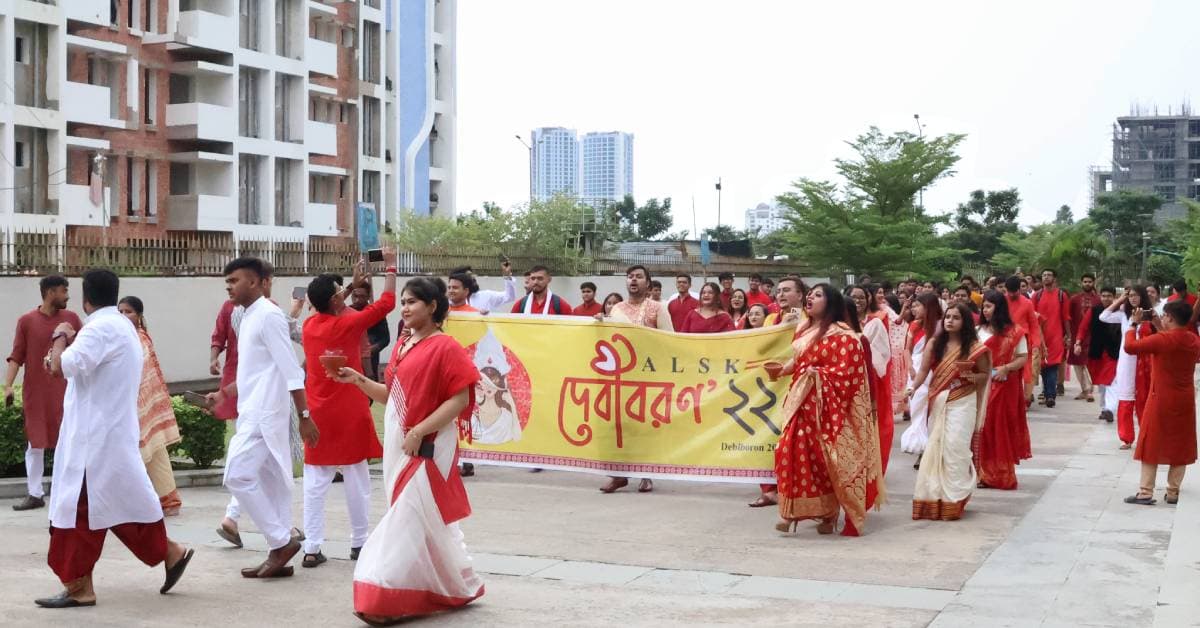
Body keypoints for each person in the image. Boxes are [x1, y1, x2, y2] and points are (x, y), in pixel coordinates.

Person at [37, 269, 194, 608]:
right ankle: (171, 552)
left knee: (78, 512)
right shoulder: (121, 326)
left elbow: (58, 366)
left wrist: (60, 335)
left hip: (93, 443)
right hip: (108, 437)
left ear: (86, 298)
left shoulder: (100, 328)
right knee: (117, 508)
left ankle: (80, 588)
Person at [331, 278, 484, 624]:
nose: (405, 308)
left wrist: (419, 431)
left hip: (428, 445)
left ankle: (384, 595)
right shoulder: (403, 344)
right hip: (399, 443)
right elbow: (391, 396)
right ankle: (456, 585)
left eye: (412, 301)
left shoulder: (445, 346)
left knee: (406, 515)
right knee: (420, 518)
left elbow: (459, 399)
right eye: (403, 302)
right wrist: (358, 380)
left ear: (432, 306)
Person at [209, 257, 318, 578]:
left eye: (235, 280)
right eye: (227, 281)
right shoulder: (247, 316)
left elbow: (291, 371)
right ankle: (280, 556)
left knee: (237, 475)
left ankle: (281, 542)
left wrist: (305, 416)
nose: (229, 287)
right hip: (253, 409)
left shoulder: (269, 316)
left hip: (264, 413)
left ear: (256, 282)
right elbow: (254, 371)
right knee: (274, 485)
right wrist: (224, 394)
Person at [298, 260, 396, 568]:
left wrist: (350, 286)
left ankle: (312, 547)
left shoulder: (309, 326)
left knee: (315, 483)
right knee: (357, 478)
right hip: (350, 409)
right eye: (340, 291)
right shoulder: (349, 324)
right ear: (336, 299)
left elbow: (331, 306)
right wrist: (390, 268)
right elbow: (387, 303)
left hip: (318, 411)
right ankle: (359, 542)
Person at [767, 284, 882, 536]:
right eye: (811, 294)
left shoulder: (844, 335)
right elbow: (801, 359)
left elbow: (847, 375)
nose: (811, 297)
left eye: (818, 295)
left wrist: (818, 374)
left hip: (828, 409)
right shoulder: (804, 329)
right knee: (789, 450)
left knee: (823, 460)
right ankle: (788, 512)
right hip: (800, 402)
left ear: (830, 303)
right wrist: (782, 370)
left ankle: (828, 514)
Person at [5, 275, 83, 511]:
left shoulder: (72, 319)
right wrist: (8, 386)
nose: (67, 296)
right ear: (50, 292)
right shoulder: (26, 321)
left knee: (68, 441)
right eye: (63, 291)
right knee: (35, 443)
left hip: (66, 391)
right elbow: (17, 356)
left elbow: (85, 350)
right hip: (36, 393)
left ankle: (71, 492)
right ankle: (35, 493)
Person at [910, 304, 990, 520]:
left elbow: (984, 374)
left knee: (955, 448)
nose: (950, 321)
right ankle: (934, 498)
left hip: (964, 400)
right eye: (947, 317)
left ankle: (953, 500)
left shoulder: (974, 347)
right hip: (939, 400)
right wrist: (912, 388)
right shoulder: (934, 343)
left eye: (956, 317)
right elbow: (923, 371)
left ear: (965, 322)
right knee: (936, 449)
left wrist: (972, 377)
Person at [600, 266, 672, 494]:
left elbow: (670, 341)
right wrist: (599, 325)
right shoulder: (617, 309)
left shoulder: (658, 308)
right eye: (630, 277)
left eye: (639, 277)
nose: (633, 280)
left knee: (644, 425)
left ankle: (646, 473)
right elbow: (610, 340)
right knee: (617, 425)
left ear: (648, 283)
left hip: (648, 376)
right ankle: (618, 475)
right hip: (621, 376)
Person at [1121, 301, 1200, 506]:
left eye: (1164, 316)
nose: (1162, 318)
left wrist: (1133, 324)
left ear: (1170, 317)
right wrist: (1157, 323)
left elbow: (1130, 347)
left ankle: (1145, 491)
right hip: (1185, 398)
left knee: (1150, 441)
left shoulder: (1163, 340)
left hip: (1161, 398)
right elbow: (1173, 340)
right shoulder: (1193, 339)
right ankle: (1173, 491)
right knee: (1181, 443)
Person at [117, 297, 183, 515]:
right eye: (120, 312)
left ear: (139, 316)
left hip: (142, 404)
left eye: (128, 312)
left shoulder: (140, 338)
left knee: (146, 450)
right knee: (154, 450)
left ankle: (156, 501)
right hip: (136, 404)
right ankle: (167, 499)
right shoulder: (124, 338)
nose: (124, 316)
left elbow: (143, 374)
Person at [975, 291, 1029, 490]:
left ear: (999, 308)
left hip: (1003, 386)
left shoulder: (1014, 332)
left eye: (989, 306)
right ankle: (982, 472)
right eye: (984, 306)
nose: (985, 310)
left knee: (997, 428)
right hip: (980, 384)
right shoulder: (977, 331)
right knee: (981, 428)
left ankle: (1000, 474)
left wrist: (1006, 368)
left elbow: (1023, 357)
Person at [1100, 286, 1153, 449]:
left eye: (1136, 295)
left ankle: (1146, 437)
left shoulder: (1151, 315)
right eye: (1130, 296)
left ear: (1143, 296)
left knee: (1144, 400)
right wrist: (1120, 299)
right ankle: (1127, 438)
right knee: (1126, 398)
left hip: (1145, 362)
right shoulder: (1124, 315)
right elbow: (1103, 316)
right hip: (1127, 362)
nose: (1133, 298)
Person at [849, 285, 893, 475]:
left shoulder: (875, 323)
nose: (858, 301)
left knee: (872, 424)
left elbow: (883, 354)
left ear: (868, 300)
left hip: (869, 380)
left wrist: (860, 357)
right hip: (846, 382)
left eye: (862, 297)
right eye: (854, 297)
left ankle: (872, 468)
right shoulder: (840, 323)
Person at [901, 292, 943, 462]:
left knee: (931, 408)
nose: (914, 309)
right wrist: (910, 366)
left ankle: (928, 449)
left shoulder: (940, 326)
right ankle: (921, 447)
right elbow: (907, 349)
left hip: (934, 370)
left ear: (928, 307)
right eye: (913, 306)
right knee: (918, 407)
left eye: (918, 306)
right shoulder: (914, 325)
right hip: (916, 370)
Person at [1074, 287, 1120, 422]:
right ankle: (1105, 407)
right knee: (1102, 383)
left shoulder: (1120, 310)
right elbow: (1083, 327)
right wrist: (1078, 343)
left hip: (1114, 352)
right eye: (1103, 296)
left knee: (1110, 380)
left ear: (1114, 297)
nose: (1106, 298)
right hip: (1097, 351)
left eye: (1109, 296)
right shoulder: (1094, 310)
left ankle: (1109, 409)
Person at [1031, 269, 1070, 408]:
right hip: (1039, 336)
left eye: (1049, 275)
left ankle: (1050, 395)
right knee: (1041, 365)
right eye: (1044, 275)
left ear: (1055, 278)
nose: (1046, 277)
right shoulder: (1036, 296)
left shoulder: (1061, 295)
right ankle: (1046, 392)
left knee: (1052, 365)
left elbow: (1066, 317)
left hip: (1056, 336)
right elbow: (1032, 317)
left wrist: (1068, 335)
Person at [1004, 276, 1042, 405]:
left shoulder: (1027, 303)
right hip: (1006, 342)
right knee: (1009, 371)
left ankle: (1026, 398)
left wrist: (1036, 343)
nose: (1012, 294)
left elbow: (1034, 325)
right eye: (1009, 291)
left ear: (1019, 289)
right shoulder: (1001, 302)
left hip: (1024, 340)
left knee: (1027, 371)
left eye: (1014, 291)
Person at [350, 284, 392, 382]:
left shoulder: (376, 313)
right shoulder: (347, 313)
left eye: (362, 296)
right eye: (356, 296)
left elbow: (385, 339)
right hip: (351, 360)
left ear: (368, 296)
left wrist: (371, 349)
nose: (358, 299)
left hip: (371, 361)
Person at [1068, 273, 1099, 402]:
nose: (1087, 284)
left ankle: (1089, 390)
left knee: (1088, 363)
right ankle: (1085, 390)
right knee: (1077, 363)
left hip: (1093, 336)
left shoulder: (1098, 300)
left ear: (1093, 283)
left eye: (1089, 282)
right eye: (1085, 281)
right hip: (1077, 336)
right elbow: (1068, 317)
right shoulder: (1074, 299)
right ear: (1081, 283)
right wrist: (1068, 335)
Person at [449, 261, 517, 314]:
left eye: (472, 275)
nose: (473, 278)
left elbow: (509, 297)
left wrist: (507, 276)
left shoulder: (486, 295)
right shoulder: (449, 303)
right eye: (469, 276)